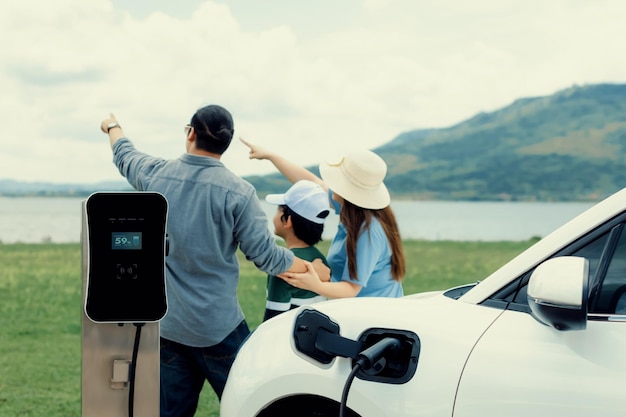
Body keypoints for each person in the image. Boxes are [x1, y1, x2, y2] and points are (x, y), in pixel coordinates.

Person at [99, 106, 328, 417]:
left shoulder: (155, 175)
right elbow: (267, 256)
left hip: (170, 326)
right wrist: (309, 268)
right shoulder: (240, 192)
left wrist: (113, 125)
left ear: (191, 133)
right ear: (226, 144)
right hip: (219, 328)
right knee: (255, 406)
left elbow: (124, 155)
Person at [241, 138, 406, 299]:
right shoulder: (352, 208)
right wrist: (272, 156)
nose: (331, 187)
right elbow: (312, 182)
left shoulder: (368, 232)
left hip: (372, 316)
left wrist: (316, 285)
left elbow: (351, 289)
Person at [263, 180, 331, 321]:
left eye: (278, 210)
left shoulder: (283, 269)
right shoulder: (320, 260)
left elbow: (273, 320)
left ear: (287, 221)